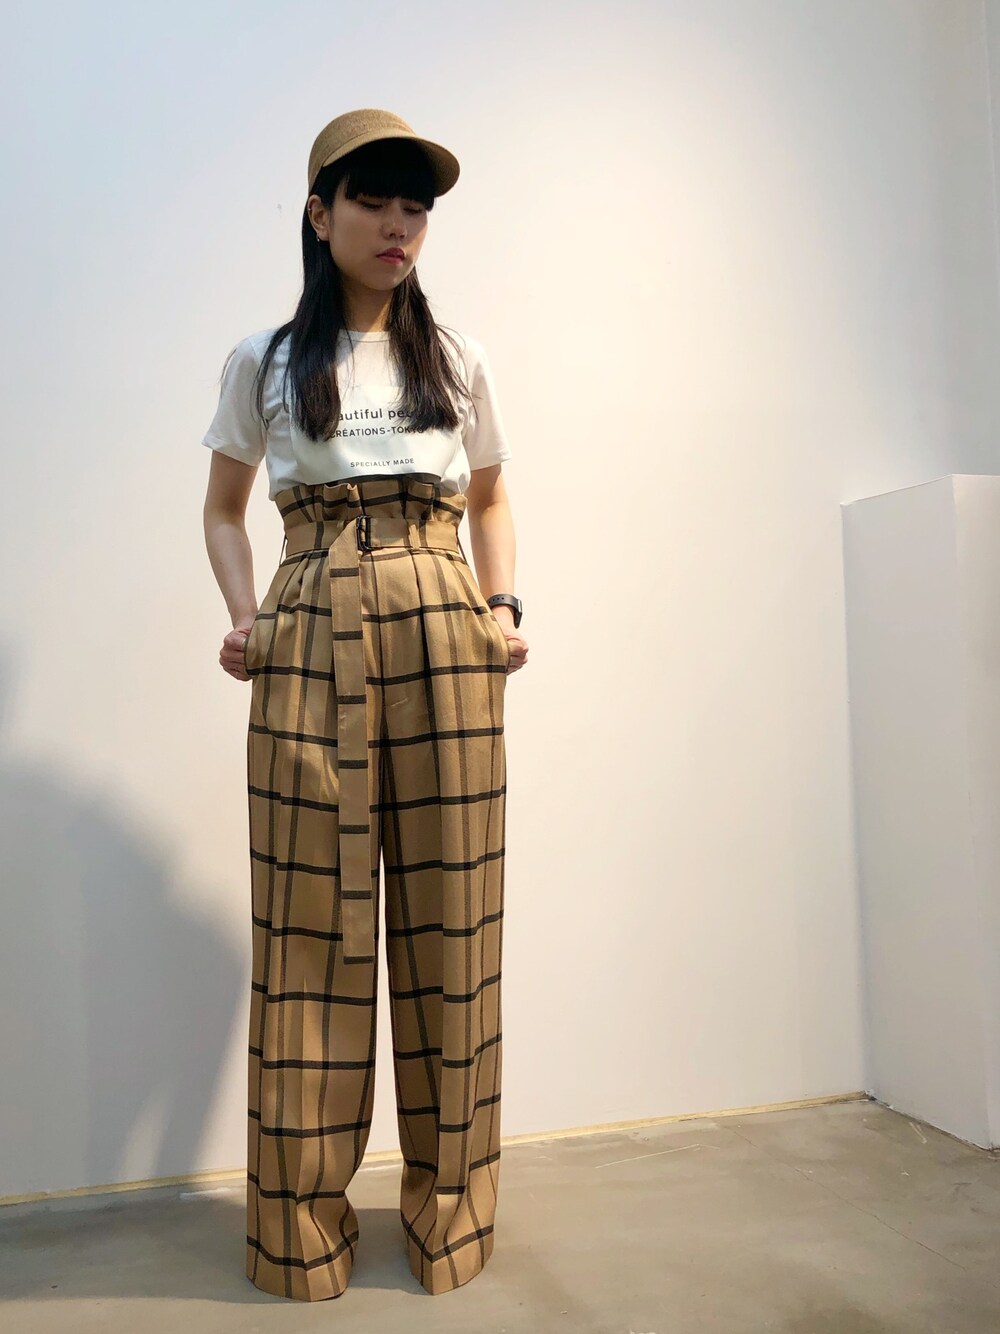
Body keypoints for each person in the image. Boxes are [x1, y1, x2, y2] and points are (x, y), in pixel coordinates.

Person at [200, 108, 526, 1302]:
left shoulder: (458, 358)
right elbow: (222, 507)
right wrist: (247, 617)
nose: (399, 226)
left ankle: (452, 1216)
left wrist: (502, 605)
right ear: (319, 211)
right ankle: (299, 1230)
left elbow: (489, 496)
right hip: (312, 611)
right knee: (308, 932)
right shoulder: (266, 360)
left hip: (442, 615)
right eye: (375, 201)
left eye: (416, 207)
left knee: (455, 927)